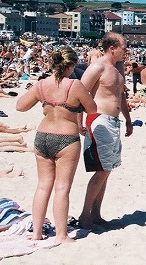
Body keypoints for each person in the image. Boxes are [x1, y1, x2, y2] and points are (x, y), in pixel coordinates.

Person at [16, 46, 96, 243]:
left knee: (43, 186)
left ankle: (36, 233)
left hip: (42, 136)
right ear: (71, 66)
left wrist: (43, 99)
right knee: (62, 188)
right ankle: (61, 234)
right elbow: (92, 108)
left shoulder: (42, 85)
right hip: (66, 138)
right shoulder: (74, 85)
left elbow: (20, 106)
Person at [78, 32, 134, 232]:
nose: (126, 51)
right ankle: (85, 215)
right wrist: (80, 122)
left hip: (114, 121)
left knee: (107, 169)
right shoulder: (97, 67)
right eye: (124, 47)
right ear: (113, 48)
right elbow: (79, 93)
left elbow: (120, 97)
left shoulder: (118, 69)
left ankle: (96, 214)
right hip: (98, 120)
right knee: (102, 169)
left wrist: (127, 120)